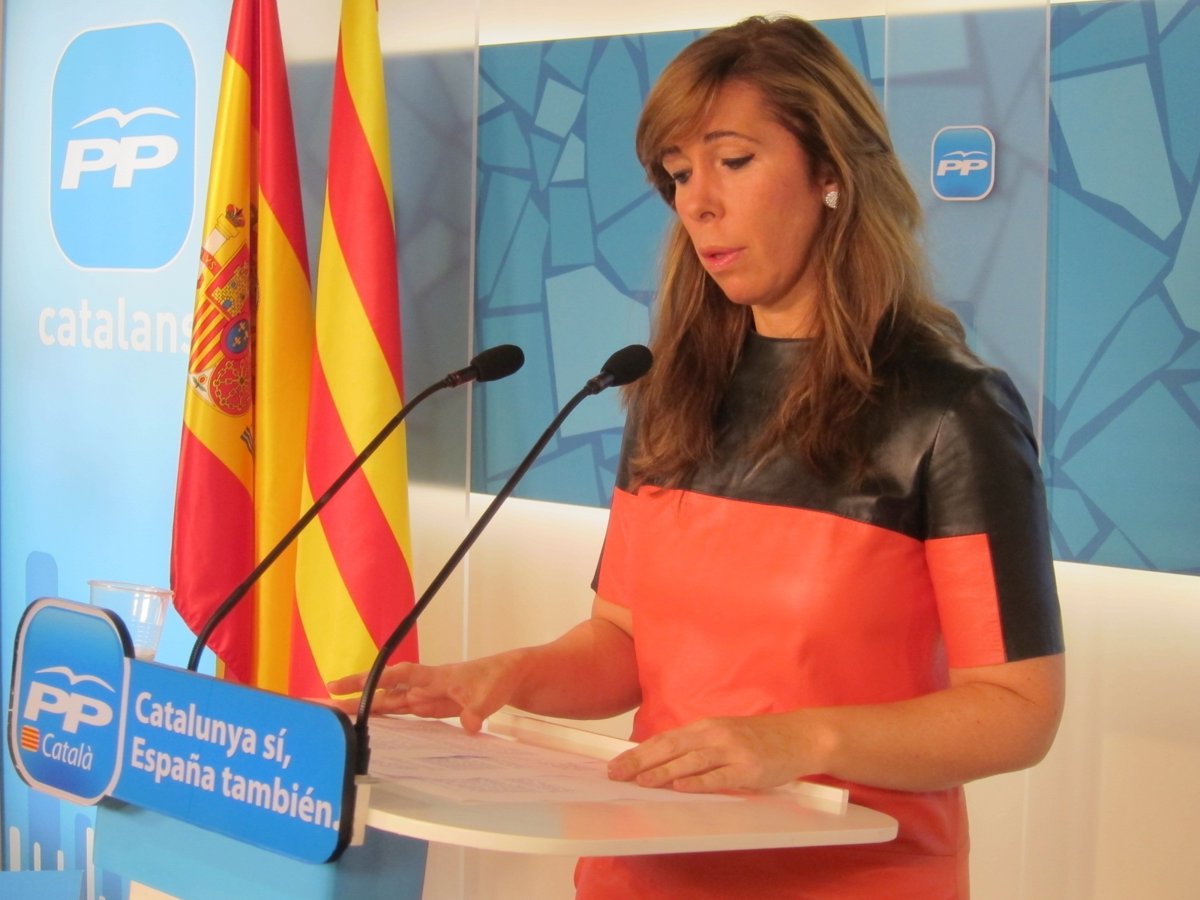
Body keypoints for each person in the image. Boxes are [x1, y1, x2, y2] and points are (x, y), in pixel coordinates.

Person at [329, 14, 1065, 898]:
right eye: (679, 174)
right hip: (645, 868)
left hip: (850, 878)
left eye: (734, 161)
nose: (697, 202)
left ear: (831, 169)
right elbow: (623, 644)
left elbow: (1017, 711)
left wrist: (800, 739)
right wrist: (504, 676)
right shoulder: (668, 391)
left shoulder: (951, 409)